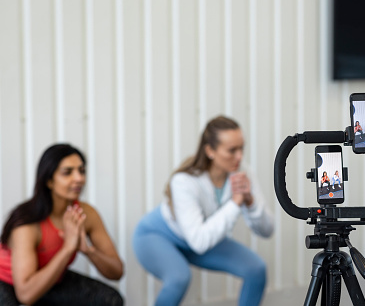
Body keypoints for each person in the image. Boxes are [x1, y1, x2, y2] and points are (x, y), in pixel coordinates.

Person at [132, 116, 274, 306]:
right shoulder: (184, 181)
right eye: (232, 150)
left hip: (199, 236)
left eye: (242, 148)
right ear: (210, 151)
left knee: (256, 269)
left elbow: (267, 230)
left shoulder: (242, 171)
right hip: (157, 235)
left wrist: (250, 202)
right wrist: (235, 203)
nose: (239, 157)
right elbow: (199, 242)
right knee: (179, 277)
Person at [0, 144, 124, 306]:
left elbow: (117, 272)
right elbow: (26, 295)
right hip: (8, 282)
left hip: (52, 278)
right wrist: (67, 248)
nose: (79, 178)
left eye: (81, 171)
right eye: (67, 172)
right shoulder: (27, 223)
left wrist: (88, 250)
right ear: (49, 181)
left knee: (111, 300)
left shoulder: (86, 214)